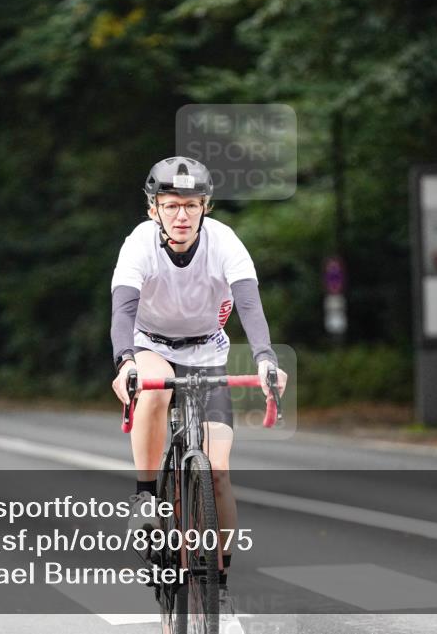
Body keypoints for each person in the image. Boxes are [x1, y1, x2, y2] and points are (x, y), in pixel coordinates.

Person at [110, 156, 288, 626]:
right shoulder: (138, 245)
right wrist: (125, 362)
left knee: (218, 474)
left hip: (207, 352)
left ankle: (218, 589)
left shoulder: (225, 242)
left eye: (191, 205)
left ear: (205, 206)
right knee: (153, 391)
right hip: (152, 346)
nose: (182, 215)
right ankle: (146, 497)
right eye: (171, 206)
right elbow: (122, 312)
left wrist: (266, 358)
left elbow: (248, 302)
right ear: (154, 210)